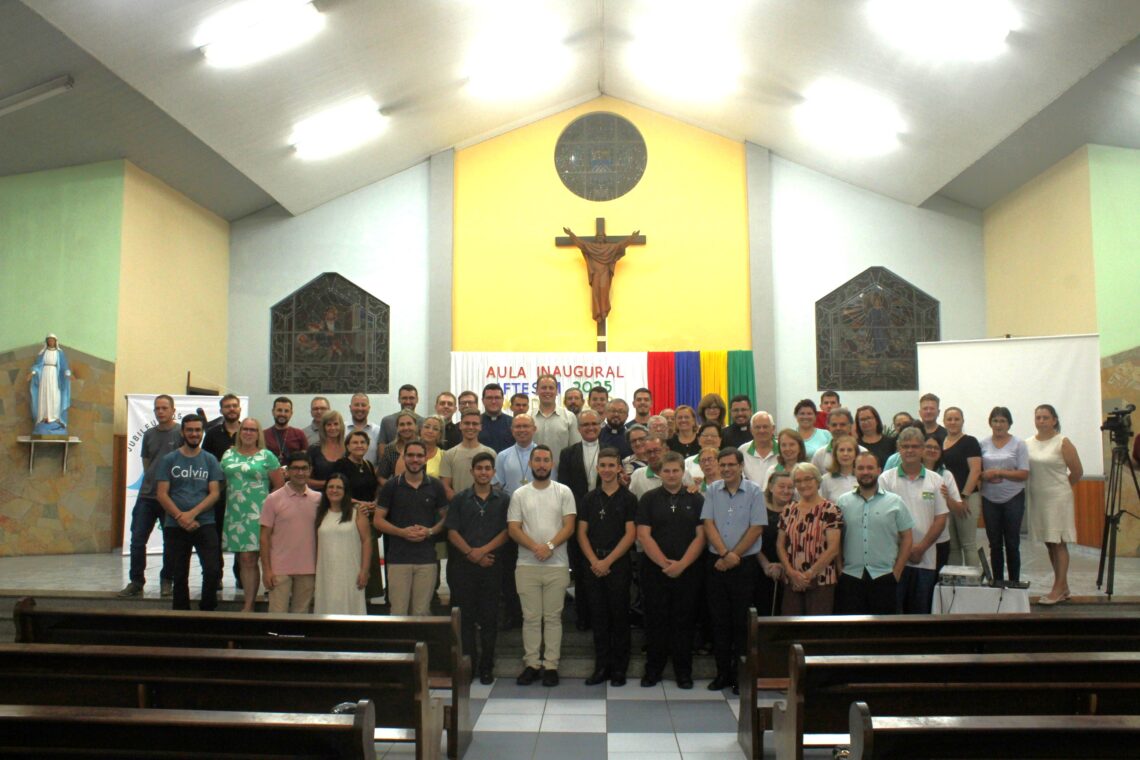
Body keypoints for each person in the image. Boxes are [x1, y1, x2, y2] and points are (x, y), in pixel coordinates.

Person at [508, 445, 577, 687]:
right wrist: (536, 547)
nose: (541, 464)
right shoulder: (519, 494)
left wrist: (548, 546)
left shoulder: (563, 491)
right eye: (537, 460)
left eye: (546, 460)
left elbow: (569, 525)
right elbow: (514, 528)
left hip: (557, 565)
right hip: (526, 564)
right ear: (530, 464)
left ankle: (551, 665)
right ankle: (531, 664)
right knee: (531, 617)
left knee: (553, 617)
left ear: (552, 464)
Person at [637, 452, 706, 689]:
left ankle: (683, 673)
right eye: (666, 471)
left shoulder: (696, 499)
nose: (671, 475)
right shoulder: (648, 498)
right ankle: (653, 671)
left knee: (684, 623)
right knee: (655, 622)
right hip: (655, 571)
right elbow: (643, 535)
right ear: (659, 473)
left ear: (682, 472)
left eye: (676, 470)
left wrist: (682, 564)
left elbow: (701, 536)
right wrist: (665, 564)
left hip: (688, 571)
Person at [702, 447, 765, 693]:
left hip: (744, 566)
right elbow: (708, 523)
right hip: (716, 562)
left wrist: (734, 555)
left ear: (740, 466)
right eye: (723, 465)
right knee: (719, 621)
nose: (727, 469)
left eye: (731, 464)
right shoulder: (712, 490)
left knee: (742, 623)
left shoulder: (754, 491)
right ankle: (722, 674)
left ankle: (741, 678)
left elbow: (757, 527)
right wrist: (724, 554)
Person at [446, 452, 510, 684]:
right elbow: (452, 531)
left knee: (489, 618)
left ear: (494, 472)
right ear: (472, 471)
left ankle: (486, 666)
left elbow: (507, 531)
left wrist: (482, 552)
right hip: (462, 568)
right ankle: (469, 664)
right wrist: (471, 554)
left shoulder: (503, 500)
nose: (483, 472)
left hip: (492, 565)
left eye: (488, 468)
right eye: (479, 468)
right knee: (466, 618)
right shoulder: (460, 499)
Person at [577, 447, 637, 687]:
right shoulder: (589, 499)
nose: (607, 470)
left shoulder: (628, 499)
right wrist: (594, 561)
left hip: (618, 565)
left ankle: (619, 669)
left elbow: (631, 533)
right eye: (603, 466)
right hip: (593, 565)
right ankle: (601, 667)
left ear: (619, 468)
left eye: (612, 465)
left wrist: (608, 561)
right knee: (599, 618)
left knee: (619, 617)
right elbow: (581, 533)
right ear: (597, 468)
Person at [373, 439, 449, 615]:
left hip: (426, 559)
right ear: (404, 457)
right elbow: (378, 520)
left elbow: (446, 518)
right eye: (411, 455)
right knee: (398, 612)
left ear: (426, 459)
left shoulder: (436, 486)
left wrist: (430, 531)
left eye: (419, 455)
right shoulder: (392, 486)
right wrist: (401, 532)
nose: (415, 459)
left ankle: (420, 644)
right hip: (398, 559)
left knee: (421, 612)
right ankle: (400, 644)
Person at [155, 414, 223, 611]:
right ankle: (181, 615)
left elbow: (214, 493)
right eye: (190, 430)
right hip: (175, 525)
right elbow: (161, 494)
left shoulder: (210, 460)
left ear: (202, 432)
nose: (194, 434)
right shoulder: (169, 459)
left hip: (205, 523)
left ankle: (207, 609)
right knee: (179, 573)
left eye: (198, 430)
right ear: (183, 432)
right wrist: (180, 517)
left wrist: (191, 514)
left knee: (212, 569)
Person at [880, 427, 950, 614]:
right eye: (905, 446)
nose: (910, 450)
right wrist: (904, 549)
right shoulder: (886, 479)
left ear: (922, 449)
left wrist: (920, 548)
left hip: (924, 558)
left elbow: (940, 519)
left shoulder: (936, 480)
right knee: (893, 612)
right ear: (898, 449)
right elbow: (883, 519)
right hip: (893, 560)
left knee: (920, 613)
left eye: (915, 446)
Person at [834, 452, 914, 615]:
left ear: (878, 470)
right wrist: (839, 567)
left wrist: (897, 571)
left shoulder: (895, 502)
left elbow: (907, 537)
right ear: (854, 471)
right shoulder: (842, 502)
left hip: (884, 576)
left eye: (870, 468)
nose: (865, 472)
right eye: (861, 468)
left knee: (882, 633)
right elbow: (836, 538)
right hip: (850, 576)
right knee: (852, 632)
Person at [120, 394, 180, 598]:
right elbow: (147, 463)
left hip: (171, 497)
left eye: (164, 408)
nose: (160, 411)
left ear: (173, 410)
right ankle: (136, 581)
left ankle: (167, 580)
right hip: (147, 496)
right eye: (157, 408)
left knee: (170, 541)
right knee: (137, 539)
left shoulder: (181, 432)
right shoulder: (149, 434)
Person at [220, 418, 284, 612]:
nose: (248, 433)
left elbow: (279, 487)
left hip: (260, 513)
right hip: (236, 513)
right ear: (240, 432)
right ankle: (249, 601)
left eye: (253, 430)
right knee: (245, 559)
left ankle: (261, 601)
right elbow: (220, 482)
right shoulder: (228, 454)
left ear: (258, 434)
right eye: (245, 429)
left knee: (259, 557)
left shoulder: (267, 456)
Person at [1027, 404, 1083, 605]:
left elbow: (1077, 472)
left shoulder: (1062, 442)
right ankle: (1064, 586)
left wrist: (1060, 490)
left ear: (1054, 420)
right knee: (1049, 542)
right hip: (1038, 498)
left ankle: (1058, 588)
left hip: (1058, 498)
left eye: (1045, 417)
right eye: (1038, 417)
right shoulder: (1028, 443)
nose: (1041, 421)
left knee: (1059, 542)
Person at [557, 409, 604, 631]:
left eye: (594, 423)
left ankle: (604, 617)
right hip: (578, 519)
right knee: (582, 569)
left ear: (600, 425)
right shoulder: (568, 454)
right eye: (585, 425)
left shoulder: (612, 451)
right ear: (578, 429)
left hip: (607, 519)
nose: (590, 428)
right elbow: (565, 488)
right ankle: (583, 616)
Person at [778, 463, 843, 615]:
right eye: (798, 481)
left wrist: (808, 575)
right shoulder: (789, 509)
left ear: (818, 481)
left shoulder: (830, 509)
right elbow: (780, 545)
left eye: (808, 479)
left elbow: (833, 548)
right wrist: (791, 573)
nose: (803, 484)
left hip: (821, 580)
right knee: (791, 629)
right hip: (792, 580)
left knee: (816, 631)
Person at [260, 451, 320, 613]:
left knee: (301, 616)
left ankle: (296, 640)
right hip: (279, 569)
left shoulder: (319, 500)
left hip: (308, 568)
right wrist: (266, 570)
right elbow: (264, 537)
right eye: (295, 468)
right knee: (277, 616)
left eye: (304, 468)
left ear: (310, 470)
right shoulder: (272, 499)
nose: (300, 473)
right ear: (287, 471)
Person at [980, 406, 1030, 584]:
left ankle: (1014, 582)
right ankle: (998, 582)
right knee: (994, 544)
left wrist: (999, 473)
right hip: (989, 499)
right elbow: (978, 471)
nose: (999, 424)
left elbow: (1024, 474)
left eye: (1003, 421)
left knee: (1012, 543)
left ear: (1009, 424)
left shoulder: (1019, 444)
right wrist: (985, 475)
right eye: (995, 420)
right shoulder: (983, 444)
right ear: (990, 423)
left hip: (1013, 498)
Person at [333, 430, 382, 602]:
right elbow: (336, 491)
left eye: (363, 442)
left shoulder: (368, 465)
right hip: (348, 516)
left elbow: (375, 488)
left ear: (368, 446)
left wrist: (374, 502)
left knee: (367, 559)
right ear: (347, 446)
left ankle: (366, 599)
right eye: (355, 442)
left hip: (368, 517)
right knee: (352, 558)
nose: (359, 445)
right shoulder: (341, 465)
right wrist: (358, 503)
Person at [313, 472, 371, 615]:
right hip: (326, 573)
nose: (334, 490)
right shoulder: (320, 514)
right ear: (325, 490)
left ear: (346, 491)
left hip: (350, 573)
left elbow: (367, 541)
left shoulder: (357, 512)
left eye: (339, 487)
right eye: (331, 487)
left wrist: (364, 571)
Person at [561, 225, 641, 322]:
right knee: (595, 293)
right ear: (596, 239)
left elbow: (621, 245)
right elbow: (580, 244)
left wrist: (632, 238)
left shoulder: (609, 248)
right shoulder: (591, 247)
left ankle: (603, 311)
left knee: (603, 292)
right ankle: (597, 313)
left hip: (604, 274)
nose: (600, 238)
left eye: (601, 236)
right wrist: (570, 234)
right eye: (598, 237)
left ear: (604, 238)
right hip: (595, 274)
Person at [204, 393, 242, 584]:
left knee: (240, 533)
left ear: (240, 409)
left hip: (242, 493)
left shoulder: (248, 431)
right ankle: (216, 576)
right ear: (221, 411)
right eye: (227, 406)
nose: (231, 409)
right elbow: (205, 462)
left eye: (234, 406)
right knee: (216, 535)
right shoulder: (211, 434)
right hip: (217, 493)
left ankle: (241, 575)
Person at [939, 407, 982, 566]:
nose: (953, 422)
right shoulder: (940, 442)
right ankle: (955, 584)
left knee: (968, 544)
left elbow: (976, 470)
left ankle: (972, 584)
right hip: (946, 499)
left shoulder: (970, 442)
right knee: (953, 546)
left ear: (962, 421)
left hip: (966, 498)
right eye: (949, 419)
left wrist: (963, 496)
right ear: (943, 422)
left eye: (956, 419)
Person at [756, 471, 792, 616]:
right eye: (781, 486)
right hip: (761, 569)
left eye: (790, 487)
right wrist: (766, 565)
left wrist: (784, 565)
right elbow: (752, 539)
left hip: (789, 570)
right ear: (771, 487)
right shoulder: (758, 510)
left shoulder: (797, 511)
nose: (786, 491)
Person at [922, 433, 959, 574]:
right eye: (928, 447)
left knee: (936, 581)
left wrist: (947, 497)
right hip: (915, 538)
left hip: (940, 539)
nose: (932, 450)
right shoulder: (910, 473)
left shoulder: (946, 475)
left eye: (936, 448)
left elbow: (958, 509)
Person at [440, 410, 496, 499]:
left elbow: (495, 484)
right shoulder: (448, 455)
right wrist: (462, 504)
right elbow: (445, 486)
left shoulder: (490, 453)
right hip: (459, 508)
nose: (470, 427)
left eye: (475, 424)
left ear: (480, 427)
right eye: (467, 423)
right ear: (460, 425)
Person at [26, 333, 71, 433]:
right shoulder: (43, 353)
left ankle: (55, 417)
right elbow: (37, 366)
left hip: (55, 376)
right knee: (44, 395)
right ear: (47, 341)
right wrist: (32, 373)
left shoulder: (60, 353)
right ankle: (44, 416)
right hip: (45, 376)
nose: (51, 342)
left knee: (55, 395)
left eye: (52, 340)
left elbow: (64, 366)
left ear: (55, 341)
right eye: (49, 340)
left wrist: (67, 374)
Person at [533, 373, 580, 463]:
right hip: (534, 473)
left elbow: (575, 449)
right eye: (543, 388)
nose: (547, 391)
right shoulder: (529, 417)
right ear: (537, 391)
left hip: (562, 473)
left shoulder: (569, 417)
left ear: (557, 391)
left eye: (551, 388)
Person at [811, 407, 865, 473]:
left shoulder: (862, 452)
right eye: (834, 425)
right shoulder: (819, 454)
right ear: (828, 426)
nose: (838, 428)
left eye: (842, 425)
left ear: (850, 426)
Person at [307, 410, 346, 491]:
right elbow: (305, 480)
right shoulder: (313, 450)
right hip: (319, 497)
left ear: (341, 426)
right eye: (329, 425)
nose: (333, 428)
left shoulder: (349, 449)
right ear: (323, 427)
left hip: (345, 498)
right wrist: (329, 484)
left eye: (336, 424)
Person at [377, 410, 419, 485]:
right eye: (402, 424)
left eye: (409, 424)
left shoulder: (424, 446)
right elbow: (381, 477)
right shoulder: (390, 448)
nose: (406, 428)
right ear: (397, 427)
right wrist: (393, 489)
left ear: (415, 426)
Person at [264, 396, 308, 463]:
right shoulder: (264, 434)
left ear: (291, 414)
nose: (282, 414)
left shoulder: (299, 434)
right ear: (273, 412)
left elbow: (305, 459)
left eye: (286, 411)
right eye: (279, 410)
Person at [740, 411, 778, 486]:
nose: (761, 430)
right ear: (751, 430)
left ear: (773, 429)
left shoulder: (784, 449)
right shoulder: (742, 451)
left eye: (765, 427)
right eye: (757, 427)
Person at [347, 393, 383, 465]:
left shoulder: (378, 431)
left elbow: (381, 459)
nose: (360, 408)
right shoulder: (342, 429)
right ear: (350, 407)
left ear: (369, 408)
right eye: (356, 405)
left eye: (363, 405)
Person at [820, 434, 858, 503]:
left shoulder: (862, 477)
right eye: (841, 450)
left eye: (849, 450)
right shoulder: (825, 479)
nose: (845, 454)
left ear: (856, 454)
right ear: (835, 454)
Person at [478, 383, 513, 452]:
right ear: (483, 400)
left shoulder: (513, 423)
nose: (493, 401)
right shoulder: (475, 423)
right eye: (489, 398)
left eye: (497, 398)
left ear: (503, 400)